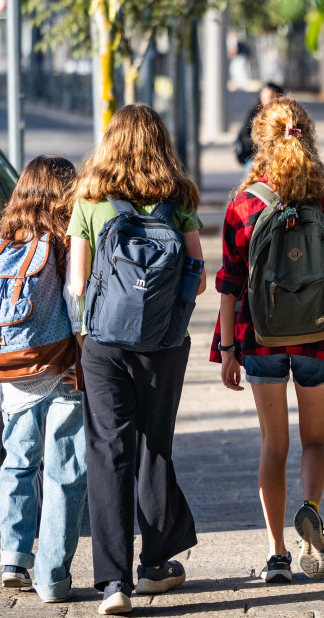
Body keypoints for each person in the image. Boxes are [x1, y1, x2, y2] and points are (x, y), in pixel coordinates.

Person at [211, 97, 324, 584]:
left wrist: (228, 351)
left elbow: (230, 283)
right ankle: (310, 511)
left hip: (262, 337)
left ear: (261, 140)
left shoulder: (244, 205)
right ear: (308, 137)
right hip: (322, 334)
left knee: (273, 443)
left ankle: (277, 555)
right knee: (315, 440)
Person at [67, 104, 207, 615]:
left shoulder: (89, 196)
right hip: (163, 345)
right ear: (161, 142)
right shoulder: (179, 197)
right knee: (155, 448)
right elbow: (198, 275)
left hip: (104, 345)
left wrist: (92, 327)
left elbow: (76, 284)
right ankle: (154, 565)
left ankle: (113, 584)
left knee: (108, 453)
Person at [0, 155, 86, 605]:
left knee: (18, 462)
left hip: (10, 372)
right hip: (61, 368)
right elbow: (75, 303)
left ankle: (13, 559)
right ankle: (52, 578)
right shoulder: (64, 242)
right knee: (65, 471)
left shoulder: (1, 243)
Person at [234, 82, 285, 168]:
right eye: (265, 97)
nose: (268, 101)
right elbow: (245, 136)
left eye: (270, 97)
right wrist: (261, 144)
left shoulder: (284, 114)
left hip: (279, 157)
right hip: (256, 156)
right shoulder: (254, 113)